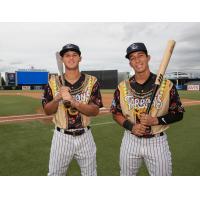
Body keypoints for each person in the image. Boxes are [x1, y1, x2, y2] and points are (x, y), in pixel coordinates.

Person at [110, 42, 184, 176]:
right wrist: (131, 126)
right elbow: (116, 113)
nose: (137, 60)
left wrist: (156, 120)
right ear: (130, 63)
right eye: (132, 58)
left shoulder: (166, 85)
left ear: (148, 58)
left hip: (157, 142)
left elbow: (178, 113)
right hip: (130, 141)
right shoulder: (122, 87)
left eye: (140, 55)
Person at [42, 43, 103, 176]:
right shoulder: (53, 82)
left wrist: (74, 103)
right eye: (67, 55)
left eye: (74, 55)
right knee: (55, 175)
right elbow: (47, 110)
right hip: (61, 137)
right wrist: (58, 97)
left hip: (85, 136)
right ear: (62, 59)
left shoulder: (92, 81)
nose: (71, 58)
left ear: (80, 58)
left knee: (90, 175)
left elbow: (95, 111)